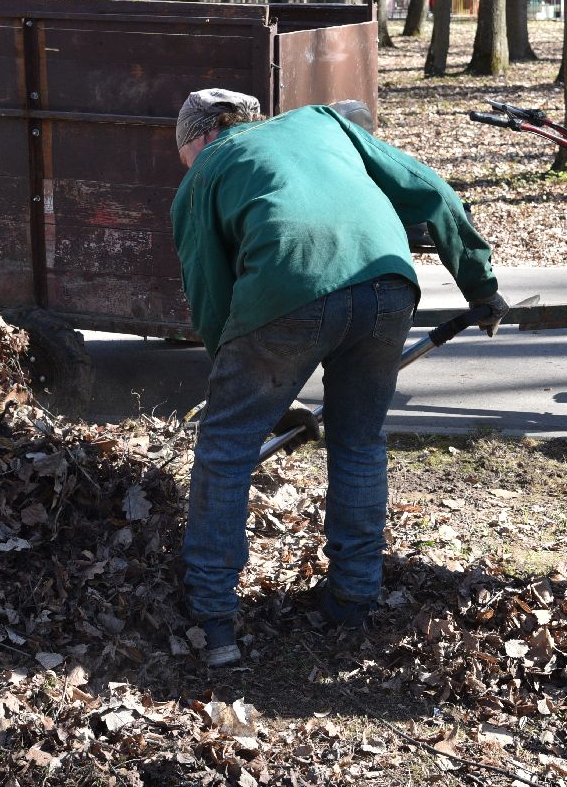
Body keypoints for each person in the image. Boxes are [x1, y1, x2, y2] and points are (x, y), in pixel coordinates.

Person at [171, 89, 505, 667]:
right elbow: (432, 191)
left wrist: (235, 381)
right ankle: (352, 599)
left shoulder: (205, 172)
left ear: (199, 139)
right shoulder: (322, 122)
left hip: (288, 289)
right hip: (388, 283)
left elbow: (209, 296)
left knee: (226, 450)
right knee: (358, 441)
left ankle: (214, 621)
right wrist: (479, 285)